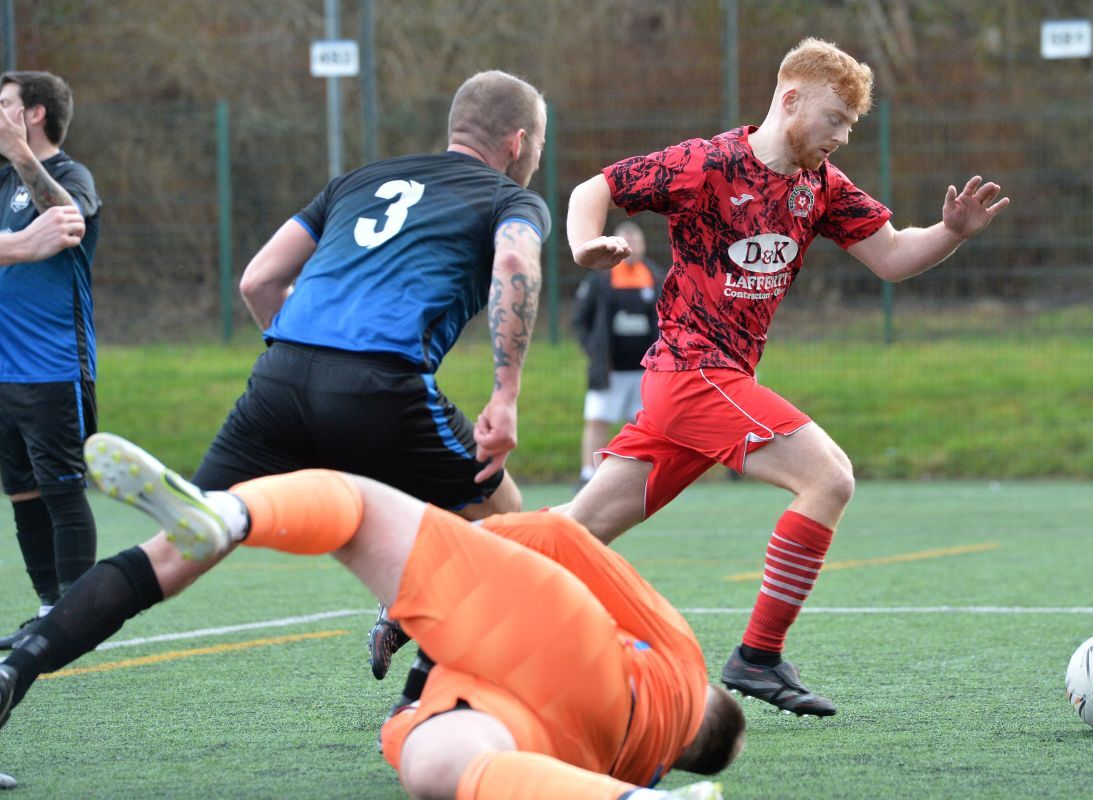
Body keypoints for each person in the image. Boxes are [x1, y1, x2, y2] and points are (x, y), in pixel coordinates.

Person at [0, 70, 549, 713]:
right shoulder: (511, 200)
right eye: (538, 143)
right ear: (517, 143)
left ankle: (16, 671)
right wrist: (505, 394)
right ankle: (421, 691)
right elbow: (515, 265)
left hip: (280, 380)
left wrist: (309, 376)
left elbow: (258, 281)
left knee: (184, 546)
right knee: (506, 518)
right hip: (383, 385)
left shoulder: (360, 180)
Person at [558, 38, 1009, 717]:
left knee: (576, 531)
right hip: (691, 373)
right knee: (828, 476)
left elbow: (889, 255)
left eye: (850, 127)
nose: (840, 136)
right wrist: (584, 242)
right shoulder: (706, 163)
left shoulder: (818, 187)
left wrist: (951, 233)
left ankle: (425, 587)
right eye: (834, 118)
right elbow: (596, 187)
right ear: (791, 99)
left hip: (704, 386)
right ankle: (758, 656)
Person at [8, 431, 746, 800]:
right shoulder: (647, 756)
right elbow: (403, 724)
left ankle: (229, 513)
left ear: (711, 695)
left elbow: (559, 536)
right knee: (437, 764)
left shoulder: (681, 659)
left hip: (570, 647)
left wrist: (455, 559)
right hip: (565, 746)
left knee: (353, 506)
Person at [0, 71, 102, 649]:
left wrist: (21, 156)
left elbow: (68, 222)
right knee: (22, 493)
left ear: (33, 114)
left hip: (54, 366)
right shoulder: (0, 183)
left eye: (5, 104)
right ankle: (48, 611)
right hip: (4, 370)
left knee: (63, 492)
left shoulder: (70, 175)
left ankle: (78, 622)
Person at [573, 220, 662, 490]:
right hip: (609, 371)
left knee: (642, 424)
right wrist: (595, 352)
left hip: (644, 371)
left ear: (643, 245)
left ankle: (640, 477)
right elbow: (580, 320)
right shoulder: (600, 280)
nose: (631, 247)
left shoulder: (656, 277)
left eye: (636, 241)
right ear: (616, 246)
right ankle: (588, 474)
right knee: (598, 418)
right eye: (626, 242)